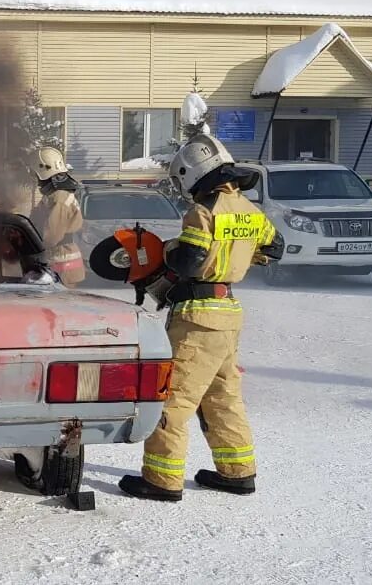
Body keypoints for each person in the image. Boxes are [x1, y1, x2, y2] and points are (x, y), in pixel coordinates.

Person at [119, 134, 284, 502]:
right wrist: (237, 258)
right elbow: (275, 247)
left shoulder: (204, 210)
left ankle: (162, 480)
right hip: (229, 314)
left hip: (198, 316)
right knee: (223, 397)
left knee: (172, 398)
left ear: (191, 175)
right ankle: (238, 473)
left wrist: (171, 252)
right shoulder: (250, 210)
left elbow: (189, 260)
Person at [28, 147, 85, 287]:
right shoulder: (55, 195)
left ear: (43, 172)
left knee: (60, 307)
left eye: (35, 174)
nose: (35, 179)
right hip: (61, 261)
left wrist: (32, 247)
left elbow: (52, 234)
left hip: (61, 264)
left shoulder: (59, 197)